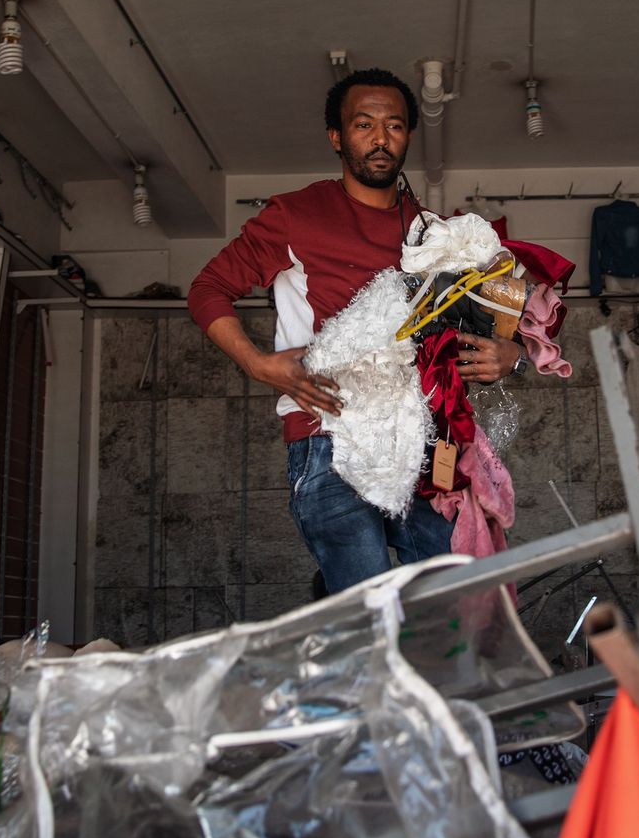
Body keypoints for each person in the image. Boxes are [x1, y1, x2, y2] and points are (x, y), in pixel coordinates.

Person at [188, 68, 525, 593]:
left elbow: (478, 321)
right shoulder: (295, 215)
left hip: (418, 440)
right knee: (370, 604)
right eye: (364, 124)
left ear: (409, 136)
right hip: (328, 437)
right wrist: (257, 363)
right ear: (337, 138)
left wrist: (511, 351)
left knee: (450, 597)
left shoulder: (435, 235)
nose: (380, 138)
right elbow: (207, 288)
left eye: (393, 126)